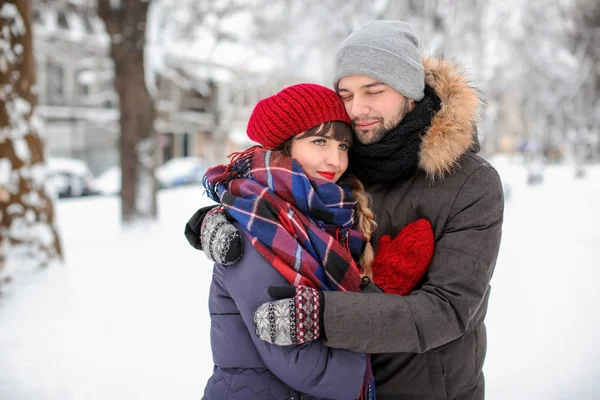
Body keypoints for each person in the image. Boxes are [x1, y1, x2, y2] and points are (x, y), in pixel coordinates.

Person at [194, 21, 504, 400]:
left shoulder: (470, 183)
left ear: (410, 92)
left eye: (374, 90)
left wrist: (323, 316)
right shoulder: (341, 161)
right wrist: (219, 218)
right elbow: (277, 196)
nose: (358, 109)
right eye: (346, 94)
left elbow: (449, 311)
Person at [188, 83, 435, 400]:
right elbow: (306, 366)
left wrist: (376, 289)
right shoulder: (255, 228)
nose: (335, 160)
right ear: (284, 146)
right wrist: (373, 315)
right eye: (320, 141)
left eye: (343, 147)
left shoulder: (324, 217)